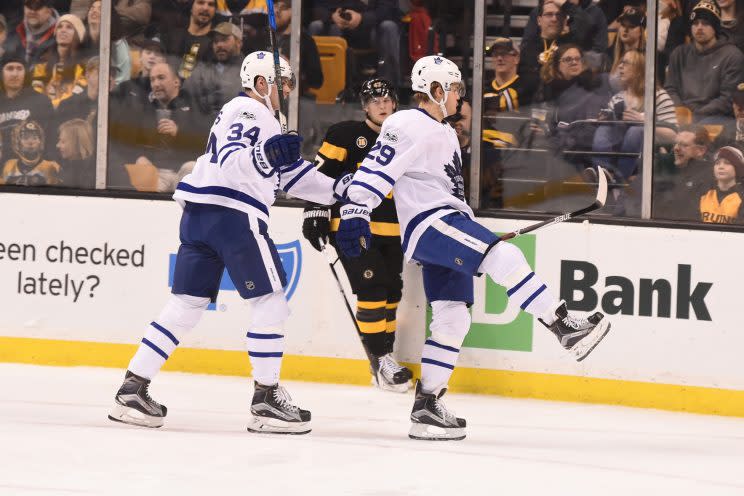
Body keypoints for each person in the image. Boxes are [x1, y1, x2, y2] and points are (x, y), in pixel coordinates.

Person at [336, 55, 612, 441]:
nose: (460, 97)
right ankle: (562, 323)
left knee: (452, 318)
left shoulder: (444, 131)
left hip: (449, 224)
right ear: (435, 90)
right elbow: (377, 167)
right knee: (507, 257)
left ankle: (427, 406)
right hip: (432, 224)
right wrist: (355, 210)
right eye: (455, 89)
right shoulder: (407, 122)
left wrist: (470, 232)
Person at [108, 51, 352, 434]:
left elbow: (291, 178)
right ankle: (266, 398)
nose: (286, 89)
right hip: (233, 216)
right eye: (282, 82)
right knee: (270, 299)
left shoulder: (252, 115)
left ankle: (133, 387)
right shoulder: (250, 111)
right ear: (260, 83)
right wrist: (266, 152)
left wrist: (339, 189)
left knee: (185, 304)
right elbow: (235, 162)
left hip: (199, 217)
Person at [301, 78, 412, 392]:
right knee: (373, 290)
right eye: (374, 100)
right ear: (365, 106)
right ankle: (381, 361)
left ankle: (384, 360)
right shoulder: (345, 135)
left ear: (395, 104)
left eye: (387, 99)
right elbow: (318, 176)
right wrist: (315, 211)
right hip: (351, 229)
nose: (382, 105)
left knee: (391, 293)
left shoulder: (405, 139)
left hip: (394, 229)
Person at [664, 0, 744, 123]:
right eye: (695, 23)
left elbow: (727, 99)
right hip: (681, 116)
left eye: (705, 23)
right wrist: (681, 111)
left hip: (717, 119)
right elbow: (670, 88)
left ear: (716, 27)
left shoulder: (732, 56)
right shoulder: (678, 54)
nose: (699, 27)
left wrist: (695, 115)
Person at [0, 119, 60, 185]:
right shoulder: (9, 165)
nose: (30, 142)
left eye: (35, 138)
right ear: (17, 142)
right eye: (25, 138)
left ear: (40, 141)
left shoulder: (49, 167)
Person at [698, 145, 744, 223]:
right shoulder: (703, 193)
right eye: (717, 163)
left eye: (727, 163)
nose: (721, 167)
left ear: (737, 168)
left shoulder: (741, 197)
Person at [56, 117, 94, 188]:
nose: (57, 145)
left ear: (77, 143)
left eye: (63, 141)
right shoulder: (67, 168)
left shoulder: (86, 176)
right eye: (59, 141)